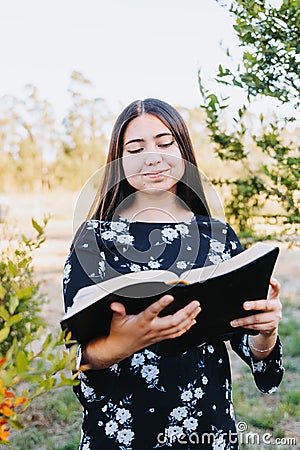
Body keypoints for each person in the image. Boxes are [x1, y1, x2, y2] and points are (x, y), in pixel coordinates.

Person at [63, 98, 284, 450]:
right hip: (122, 431)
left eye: (165, 143)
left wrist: (266, 330)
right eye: (135, 148)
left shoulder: (218, 236)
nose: (153, 156)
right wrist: (123, 344)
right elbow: (80, 355)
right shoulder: (94, 240)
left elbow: (251, 343)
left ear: (183, 150)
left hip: (206, 428)